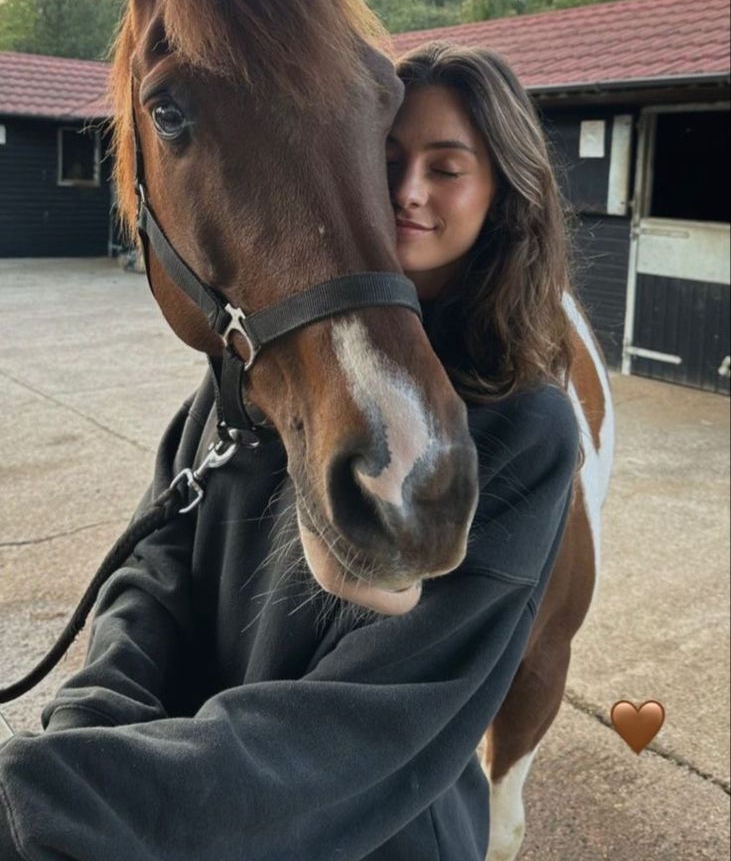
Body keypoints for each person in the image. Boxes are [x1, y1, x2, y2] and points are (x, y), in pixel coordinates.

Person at [0, 42, 579, 861]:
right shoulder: (262, 355)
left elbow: (368, 723)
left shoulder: (526, 427)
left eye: (446, 168)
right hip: (166, 809)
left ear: (502, 195)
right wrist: (94, 727)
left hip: (368, 836)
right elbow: (155, 566)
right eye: (386, 160)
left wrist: (54, 799)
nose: (408, 192)